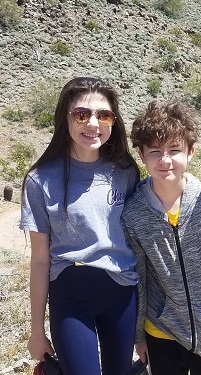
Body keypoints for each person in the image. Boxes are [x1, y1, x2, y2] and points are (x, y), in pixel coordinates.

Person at [20, 77, 140, 375]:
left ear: (114, 121)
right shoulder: (40, 180)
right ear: (66, 118)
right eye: (81, 114)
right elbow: (39, 260)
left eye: (104, 115)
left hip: (122, 291)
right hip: (70, 293)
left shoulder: (125, 172)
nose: (93, 123)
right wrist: (36, 330)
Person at [122, 100, 201, 375]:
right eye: (155, 152)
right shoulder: (133, 213)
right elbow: (140, 279)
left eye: (174, 150)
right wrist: (138, 335)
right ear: (141, 155)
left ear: (191, 152)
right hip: (161, 331)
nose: (165, 160)